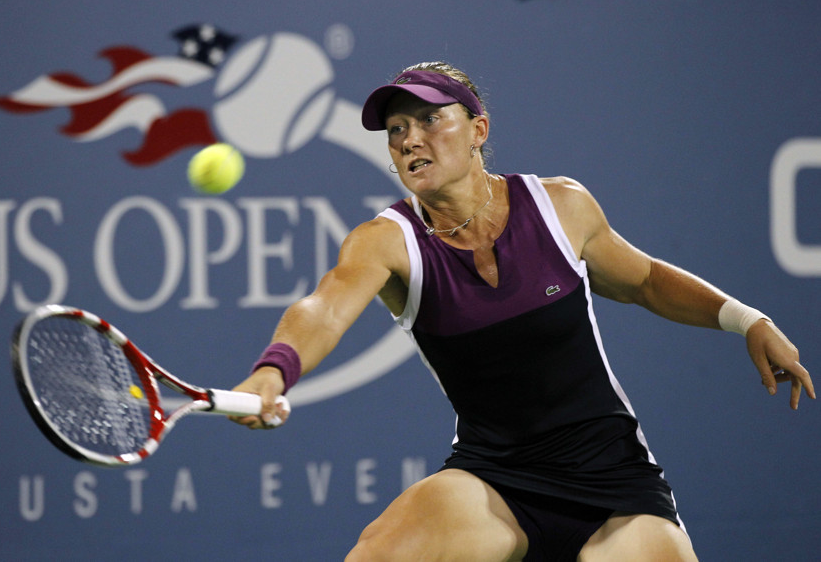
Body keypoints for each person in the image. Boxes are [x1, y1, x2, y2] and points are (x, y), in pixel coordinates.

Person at [230, 61, 814, 561]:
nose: (409, 140)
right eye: (397, 129)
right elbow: (326, 308)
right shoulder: (387, 241)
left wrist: (747, 319)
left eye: (430, 119)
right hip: (493, 482)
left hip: (615, 484)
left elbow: (644, 280)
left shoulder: (560, 205)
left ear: (478, 129)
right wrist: (273, 371)